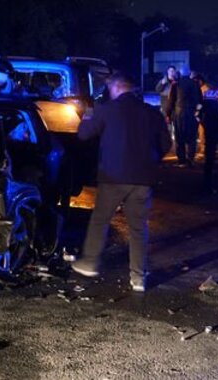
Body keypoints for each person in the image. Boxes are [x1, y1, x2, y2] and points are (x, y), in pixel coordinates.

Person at [73, 72, 172, 292]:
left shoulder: (106, 110)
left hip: (113, 176)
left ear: (117, 87)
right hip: (142, 178)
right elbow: (165, 144)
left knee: (100, 219)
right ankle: (138, 277)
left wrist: (88, 113)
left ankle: (90, 262)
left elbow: (83, 134)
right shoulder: (151, 112)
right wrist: (150, 161)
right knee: (138, 228)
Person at [165, 65, 202, 167]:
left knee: (179, 137)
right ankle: (191, 159)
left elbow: (171, 101)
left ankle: (182, 160)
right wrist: (199, 113)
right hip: (192, 113)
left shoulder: (176, 84)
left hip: (179, 114)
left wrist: (168, 114)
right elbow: (200, 100)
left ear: (180, 74)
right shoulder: (195, 84)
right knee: (192, 138)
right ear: (189, 74)